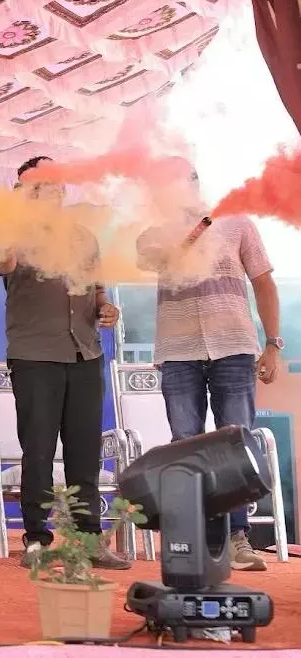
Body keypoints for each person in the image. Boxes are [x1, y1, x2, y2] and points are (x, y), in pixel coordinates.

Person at [136, 166, 279, 572]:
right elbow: (154, 259)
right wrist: (188, 233)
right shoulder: (153, 232)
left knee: (235, 444)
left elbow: (264, 283)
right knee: (185, 442)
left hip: (233, 345)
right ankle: (195, 538)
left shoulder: (238, 224)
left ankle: (237, 537)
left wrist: (273, 343)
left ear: (196, 185)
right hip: (178, 351)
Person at [0, 156, 130, 570]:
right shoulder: (12, 233)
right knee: (38, 451)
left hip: (85, 353)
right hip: (36, 356)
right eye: (39, 184)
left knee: (85, 452)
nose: (50, 190)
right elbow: (2, 262)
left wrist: (106, 309)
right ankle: (36, 539)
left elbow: (98, 291)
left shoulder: (84, 236)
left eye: (55, 182)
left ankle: (89, 540)